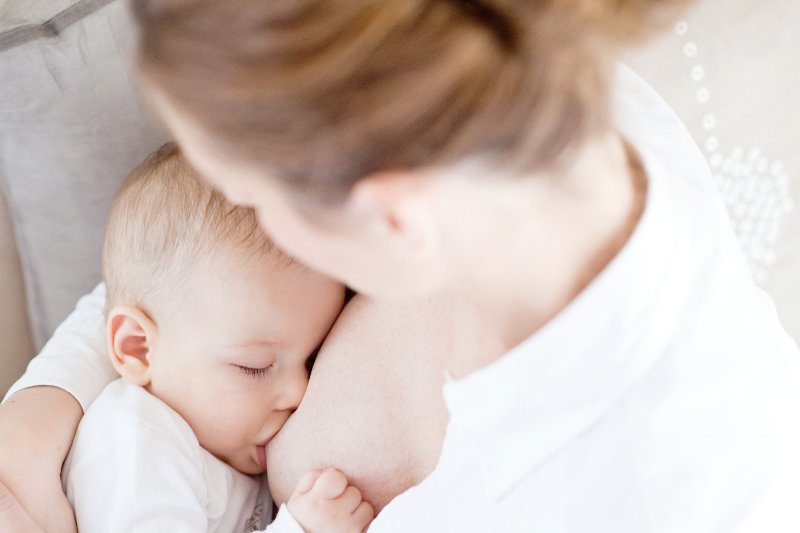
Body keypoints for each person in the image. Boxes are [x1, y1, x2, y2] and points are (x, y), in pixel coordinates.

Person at [3, 0, 800, 531]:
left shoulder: (577, 489)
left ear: (388, 215)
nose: (252, 217)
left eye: (254, 193)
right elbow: (188, 266)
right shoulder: (510, 86)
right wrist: (50, 400)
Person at [60, 143, 372, 533]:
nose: (299, 392)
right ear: (137, 348)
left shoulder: (220, 441)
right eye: (254, 367)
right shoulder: (137, 443)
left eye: (312, 359)